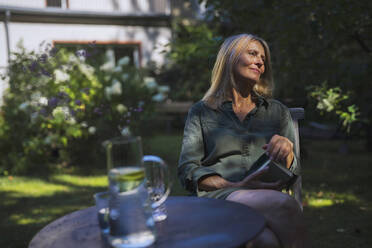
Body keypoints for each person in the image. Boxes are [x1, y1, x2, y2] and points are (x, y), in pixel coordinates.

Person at [178, 34, 306, 248]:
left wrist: (288, 152)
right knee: (285, 204)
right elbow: (187, 169)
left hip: (264, 196)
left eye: (263, 59)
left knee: (265, 241)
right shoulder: (201, 112)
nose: (260, 62)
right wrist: (236, 185)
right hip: (219, 197)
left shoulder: (277, 112)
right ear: (230, 58)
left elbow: (293, 174)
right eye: (253, 54)